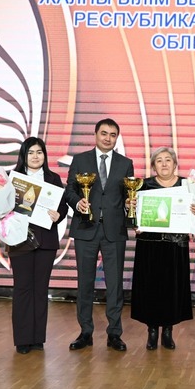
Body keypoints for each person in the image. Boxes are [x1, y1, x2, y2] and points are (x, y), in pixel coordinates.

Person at [65, 118, 135, 352]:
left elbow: (128, 195)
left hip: (114, 231)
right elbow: (69, 190)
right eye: (104, 133)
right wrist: (78, 203)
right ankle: (85, 331)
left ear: (117, 138)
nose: (108, 138)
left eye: (113, 135)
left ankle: (114, 333)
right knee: (85, 282)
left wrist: (130, 203)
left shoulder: (126, 163)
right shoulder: (80, 159)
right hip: (86, 228)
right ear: (95, 134)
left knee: (115, 284)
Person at [130, 147, 195, 350]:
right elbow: (133, 215)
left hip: (175, 246)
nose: (164, 164)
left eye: (168, 160)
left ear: (175, 164)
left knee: (172, 289)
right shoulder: (143, 185)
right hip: (149, 247)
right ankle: (152, 331)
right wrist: (133, 216)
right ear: (153, 166)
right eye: (159, 160)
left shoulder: (187, 186)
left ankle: (168, 331)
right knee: (150, 289)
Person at [8, 137, 68, 354]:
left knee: (40, 290)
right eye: (31, 152)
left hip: (46, 242)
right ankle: (23, 339)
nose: (35, 156)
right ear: (23, 155)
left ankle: (37, 338)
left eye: (39, 152)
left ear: (45, 155)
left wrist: (58, 215)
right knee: (22, 288)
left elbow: (62, 207)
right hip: (20, 240)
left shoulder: (53, 178)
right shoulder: (13, 178)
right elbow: (4, 207)